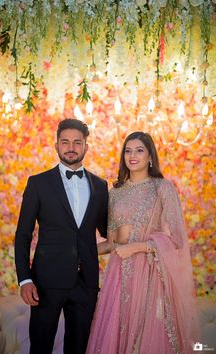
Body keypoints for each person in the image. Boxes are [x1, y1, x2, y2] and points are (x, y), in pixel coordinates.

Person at [86, 131, 200, 354]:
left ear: (150, 156)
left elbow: (177, 239)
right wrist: (77, 254)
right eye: (128, 151)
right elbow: (111, 243)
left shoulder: (162, 188)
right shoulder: (116, 192)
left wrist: (137, 247)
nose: (132, 155)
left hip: (149, 273)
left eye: (139, 150)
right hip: (118, 275)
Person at [14, 118, 108, 354]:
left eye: (77, 142)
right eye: (65, 142)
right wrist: (25, 279)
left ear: (86, 146)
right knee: (41, 346)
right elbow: (23, 235)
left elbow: (109, 232)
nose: (71, 147)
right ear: (56, 146)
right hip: (46, 283)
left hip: (86, 284)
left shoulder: (100, 185)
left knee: (79, 348)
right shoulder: (38, 183)